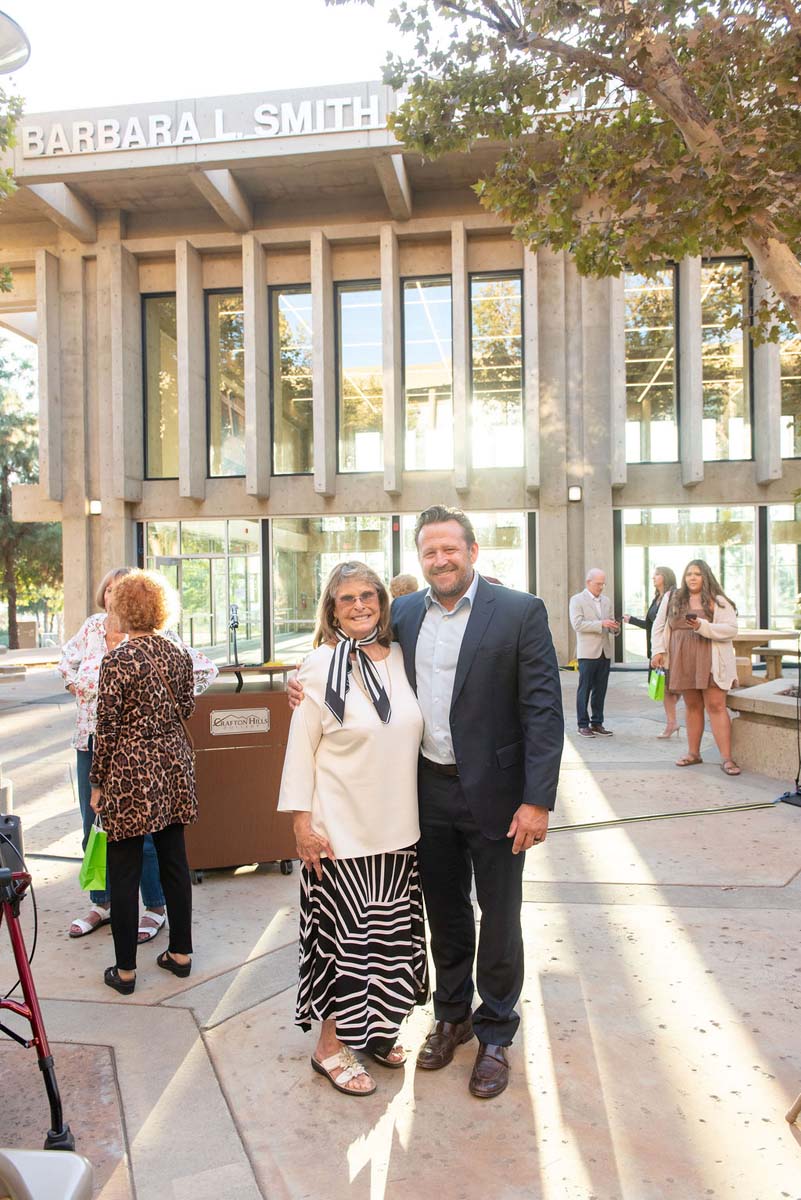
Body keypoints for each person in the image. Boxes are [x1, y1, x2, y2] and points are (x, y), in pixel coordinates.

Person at [289, 505, 564, 1099]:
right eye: (429, 552)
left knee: (499, 915)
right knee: (443, 914)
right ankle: (453, 1015)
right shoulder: (404, 612)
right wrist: (302, 679)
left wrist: (537, 800)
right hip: (425, 793)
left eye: (450, 549)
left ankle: (495, 1033)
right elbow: (350, 662)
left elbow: (543, 711)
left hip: (497, 795)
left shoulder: (520, 612)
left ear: (473, 551)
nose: (440, 561)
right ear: (419, 560)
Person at [278, 561, 428, 1098]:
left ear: (384, 604)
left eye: (369, 596)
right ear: (332, 608)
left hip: (399, 831)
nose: (360, 605)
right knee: (344, 947)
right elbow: (300, 751)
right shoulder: (318, 667)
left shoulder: (402, 660)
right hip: (338, 833)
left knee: (388, 942)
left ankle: (378, 1028)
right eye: (347, 599)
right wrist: (301, 823)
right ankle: (329, 1046)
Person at [58, 567, 217, 941]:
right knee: (103, 834)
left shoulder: (135, 654)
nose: (113, 597)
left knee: (134, 849)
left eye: (121, 591)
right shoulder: (99, 632)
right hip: (129, 754)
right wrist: (81, 688)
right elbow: (67, 665)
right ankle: (160, 939)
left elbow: (110, 728)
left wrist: (99, 782)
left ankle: (137, 943)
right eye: (109, 589)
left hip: (126, 761)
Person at [89, 570, 198, 994]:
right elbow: (186, 707)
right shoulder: (177, 654)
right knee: (174, 858)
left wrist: (97, 782)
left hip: (129, 770)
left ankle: (126, 970)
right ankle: (181, 953)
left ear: (122, 610)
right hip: (172, 767)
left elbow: (107, 727)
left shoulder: (117, 661)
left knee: (124, 866)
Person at [650, 559, 740, 775]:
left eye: (697, 574)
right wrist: (657, 651)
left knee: (717, 706)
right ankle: (693, 753)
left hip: (710, 657)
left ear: (705, 576)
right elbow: (659, 625)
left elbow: (731, 629)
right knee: (692, 706)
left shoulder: (718, 601)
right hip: (682, 658)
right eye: (689, 573)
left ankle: (727, 759)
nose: (692, 577)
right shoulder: (673, 597)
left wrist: (703, 626)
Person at [623, 566, 681, 738]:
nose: (653, 577)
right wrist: (631, 620)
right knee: (663, 688)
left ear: (666, 577)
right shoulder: (657, 598)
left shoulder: (673, 596)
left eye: (657, 574)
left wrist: (662, 650)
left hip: (668, 650)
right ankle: (672, 723)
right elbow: (652, 625)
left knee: (671, 687)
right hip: (656, 650)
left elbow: (670, 624)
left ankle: (672, 723)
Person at [569, 569, 619, 737]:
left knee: (601, 690)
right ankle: (582, 724)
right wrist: (601, 624)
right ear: (588, 582)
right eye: (598, 584)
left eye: (603, 583)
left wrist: (615, 628)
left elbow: (610, 623)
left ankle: (597, 723)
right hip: (587, 653)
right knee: (585, 689)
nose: (601, 587)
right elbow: (577, 625)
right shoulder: (577, 600)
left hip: (604, 652)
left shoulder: (606, 601)